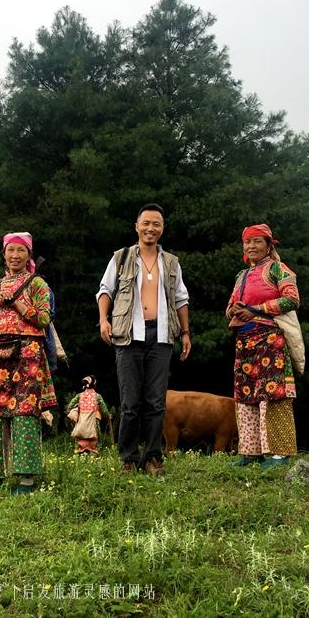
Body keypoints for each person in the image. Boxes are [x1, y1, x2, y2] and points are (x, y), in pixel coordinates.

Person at [97, 203, 191, 476]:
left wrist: (185, 333)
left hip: (161, 336)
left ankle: (152, 457)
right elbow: (105, 290)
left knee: (155, 401)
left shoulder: (171, 262)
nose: (151, 228)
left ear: (162, 229)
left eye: (157, 224)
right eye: (146, 223)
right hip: (128, 334)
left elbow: (181, 298)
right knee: (130, 402)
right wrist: (104, 319)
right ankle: (128, 457)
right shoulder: (122, 257)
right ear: (137, 226)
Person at [0, 232, 57, 494]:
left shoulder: (38, 285)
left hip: (28, 351)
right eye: (11, 251)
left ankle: (26, 480)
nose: (15, 256)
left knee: (24, 411)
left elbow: (45, 319)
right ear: (4, 255)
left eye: (21, 251)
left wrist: (22, 307)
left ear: (29, 255)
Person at [225, 223, 300, 468]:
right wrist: (234, 310)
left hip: (271, 338)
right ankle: (251, 452)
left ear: (269, 245)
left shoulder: (278, 269)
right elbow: (230, 307)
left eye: (257, 241)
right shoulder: (241, 275)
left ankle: (279, 453)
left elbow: (292, 299)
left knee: (274, 393)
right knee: (246, 395)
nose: (251, 246)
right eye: (248, 242)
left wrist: (255, 309)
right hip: (244, 341)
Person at [66, 375, 111, 455]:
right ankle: (94, 452)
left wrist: (75, 409)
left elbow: (69, 406)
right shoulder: (97, 396)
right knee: (95, 435)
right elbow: (104, 410)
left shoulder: (79, 395)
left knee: (80, 436)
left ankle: (81, 450)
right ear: (94, 384)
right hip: (93, 421)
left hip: (81, 421)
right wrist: (108, 416)